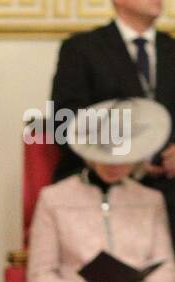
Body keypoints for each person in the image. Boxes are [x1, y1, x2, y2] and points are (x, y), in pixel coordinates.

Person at [27, 98, 175, 282]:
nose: (114, 163)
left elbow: (168, 268)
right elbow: (39, 275)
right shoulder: (53, 199)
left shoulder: (150, 199)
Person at [51, 0, 175, 243]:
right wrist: (126, 155)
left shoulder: (171, 48)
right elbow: (65, 121)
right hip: (106, 184)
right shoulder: (82, 49)